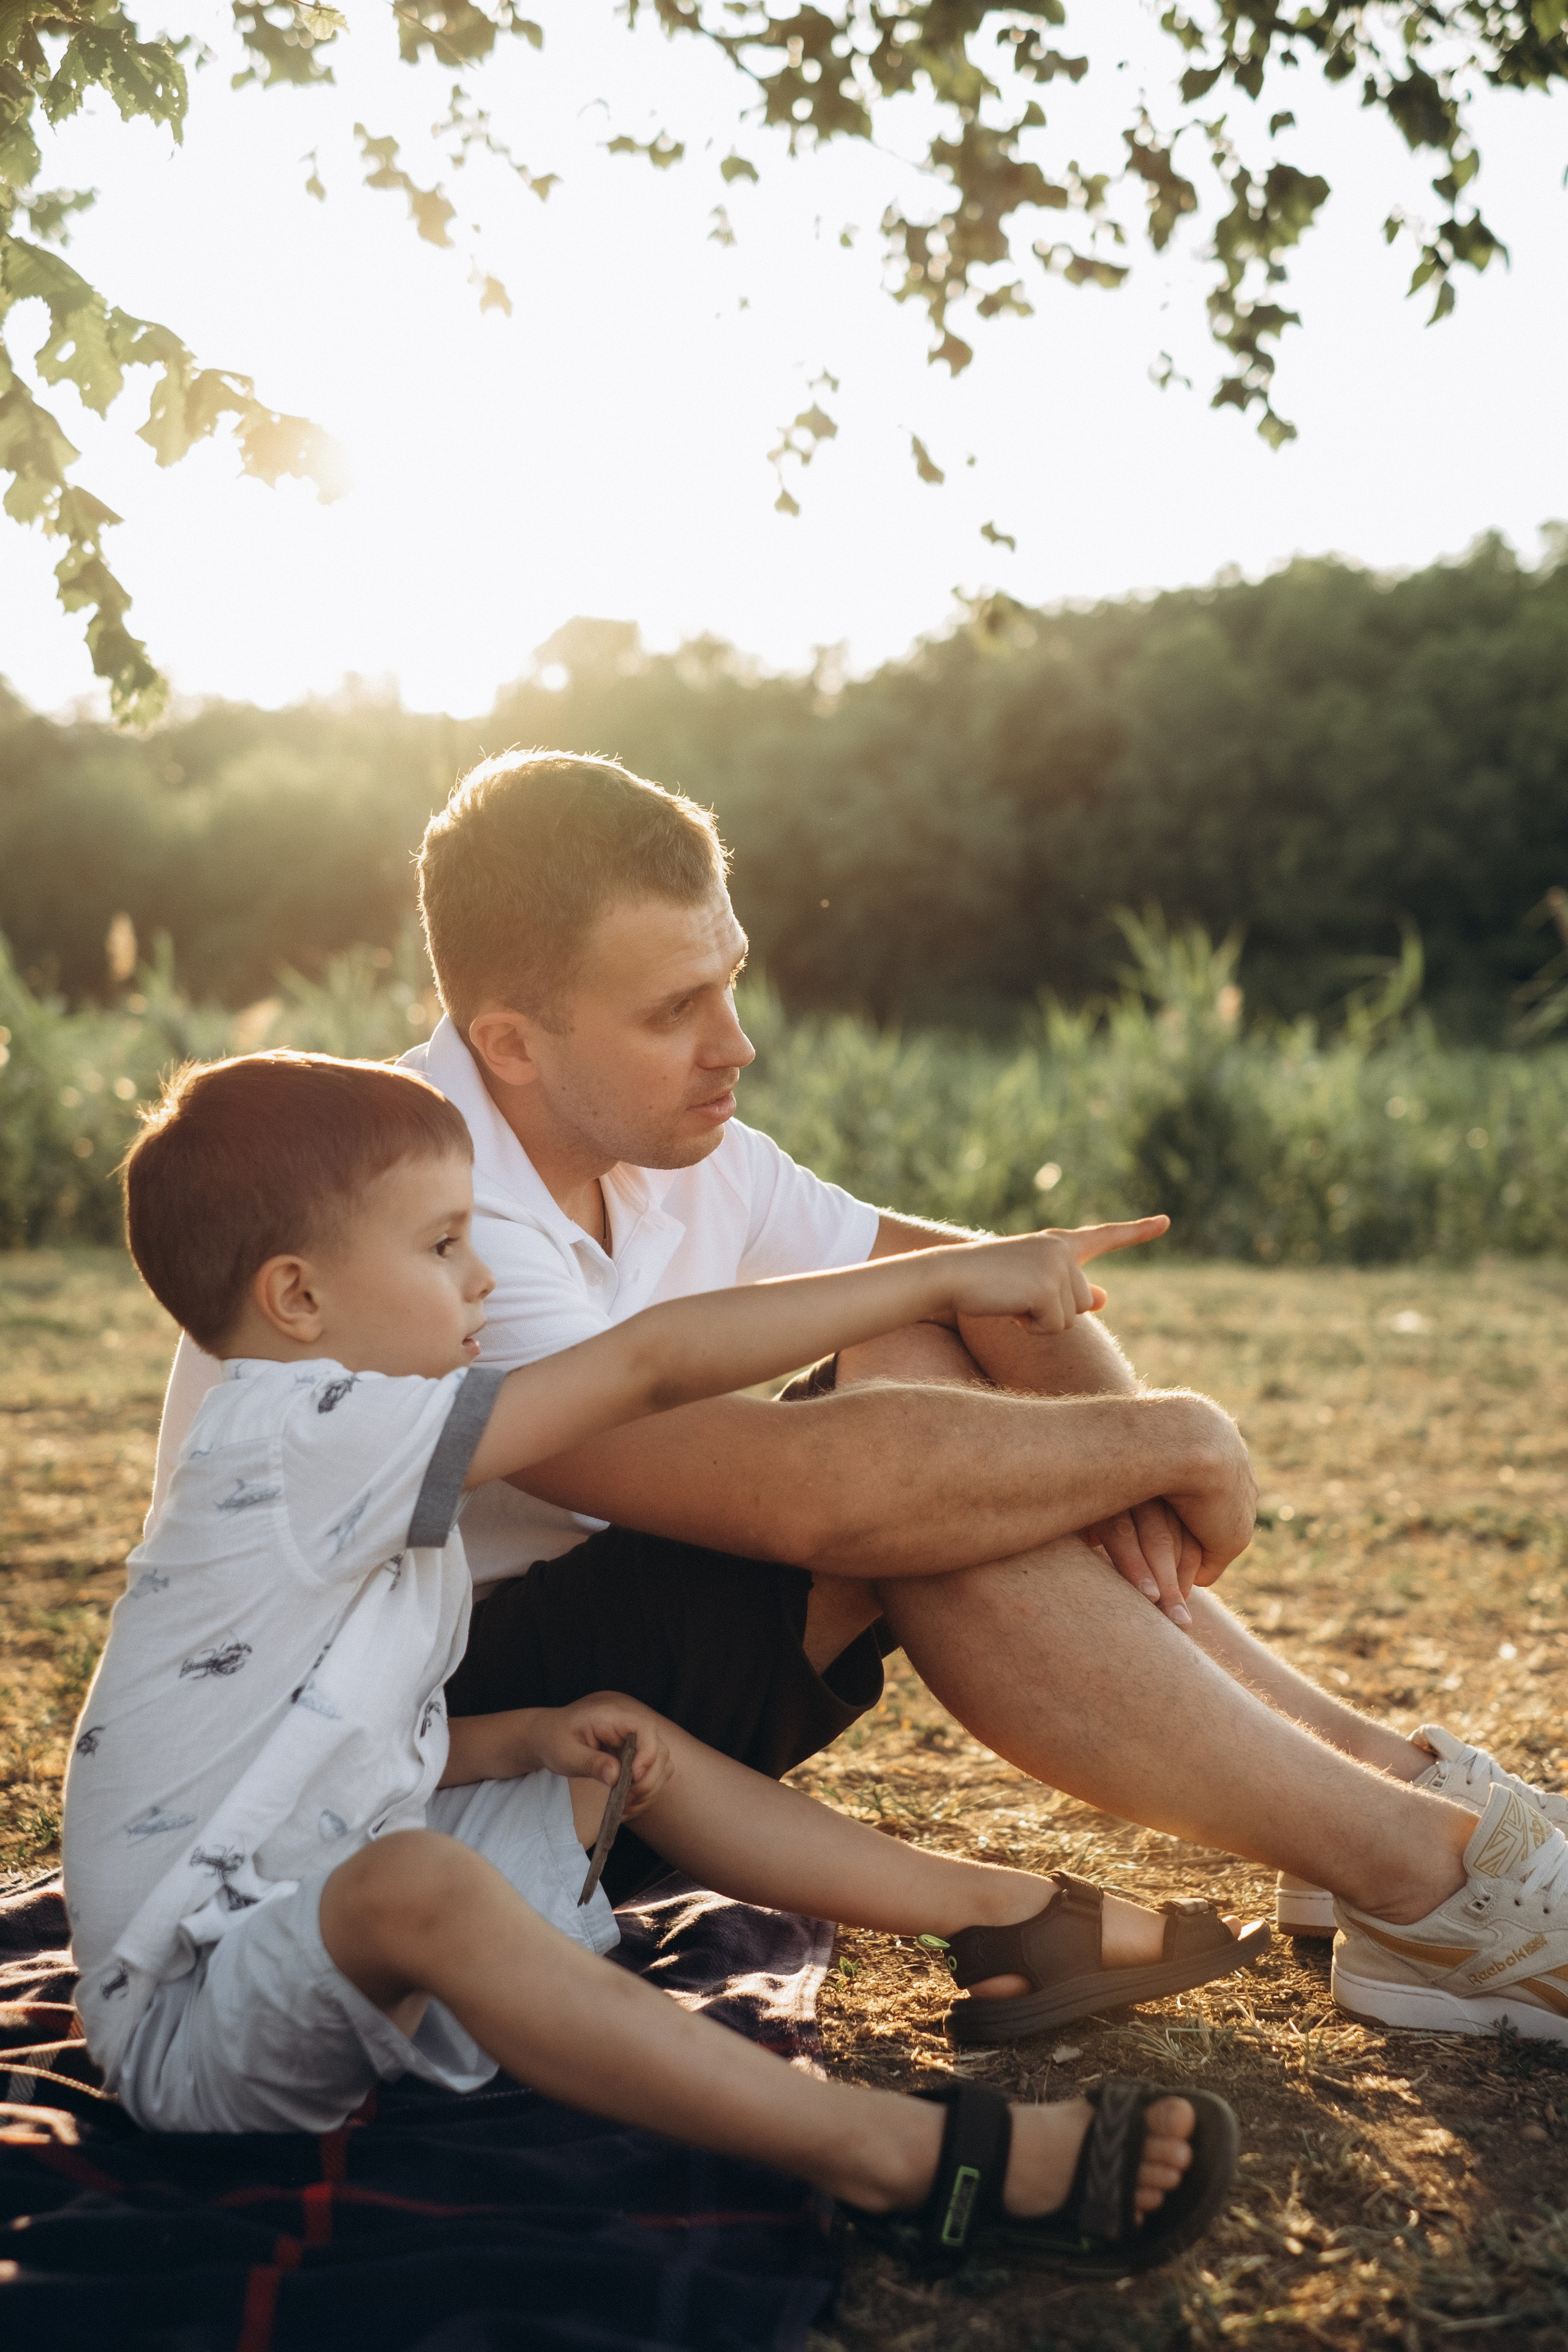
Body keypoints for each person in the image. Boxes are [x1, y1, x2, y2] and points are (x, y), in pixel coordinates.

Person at [151, 753, 1568, 2041]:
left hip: (602, 1692)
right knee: (919, 1474)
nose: (735, 1043)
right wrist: (1172, 1439)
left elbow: (990, 1283)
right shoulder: (429, 1221)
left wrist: (1120, 1474)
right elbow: (828, 1493)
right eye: (673, 1009)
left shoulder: (667, 1137)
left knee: (934, 1375)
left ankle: (1380, 1804)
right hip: (429, 1748)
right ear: (513, 1042)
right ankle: (1418, 1878)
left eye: (730, 980)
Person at [65, 1049, 1255, 2278]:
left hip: (326, 1908)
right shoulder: (288, 1435)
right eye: (439, 1248)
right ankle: (894, 2155)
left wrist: (518, 1744)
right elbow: (646, 1364)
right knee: (415, 1883)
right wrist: (950, 1271)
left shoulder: (362, 1471)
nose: (480, 1277)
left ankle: (1004, 1919)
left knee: (615, 1735)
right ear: (297, 1299)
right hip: (200, 2013)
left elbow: (327, 1751)